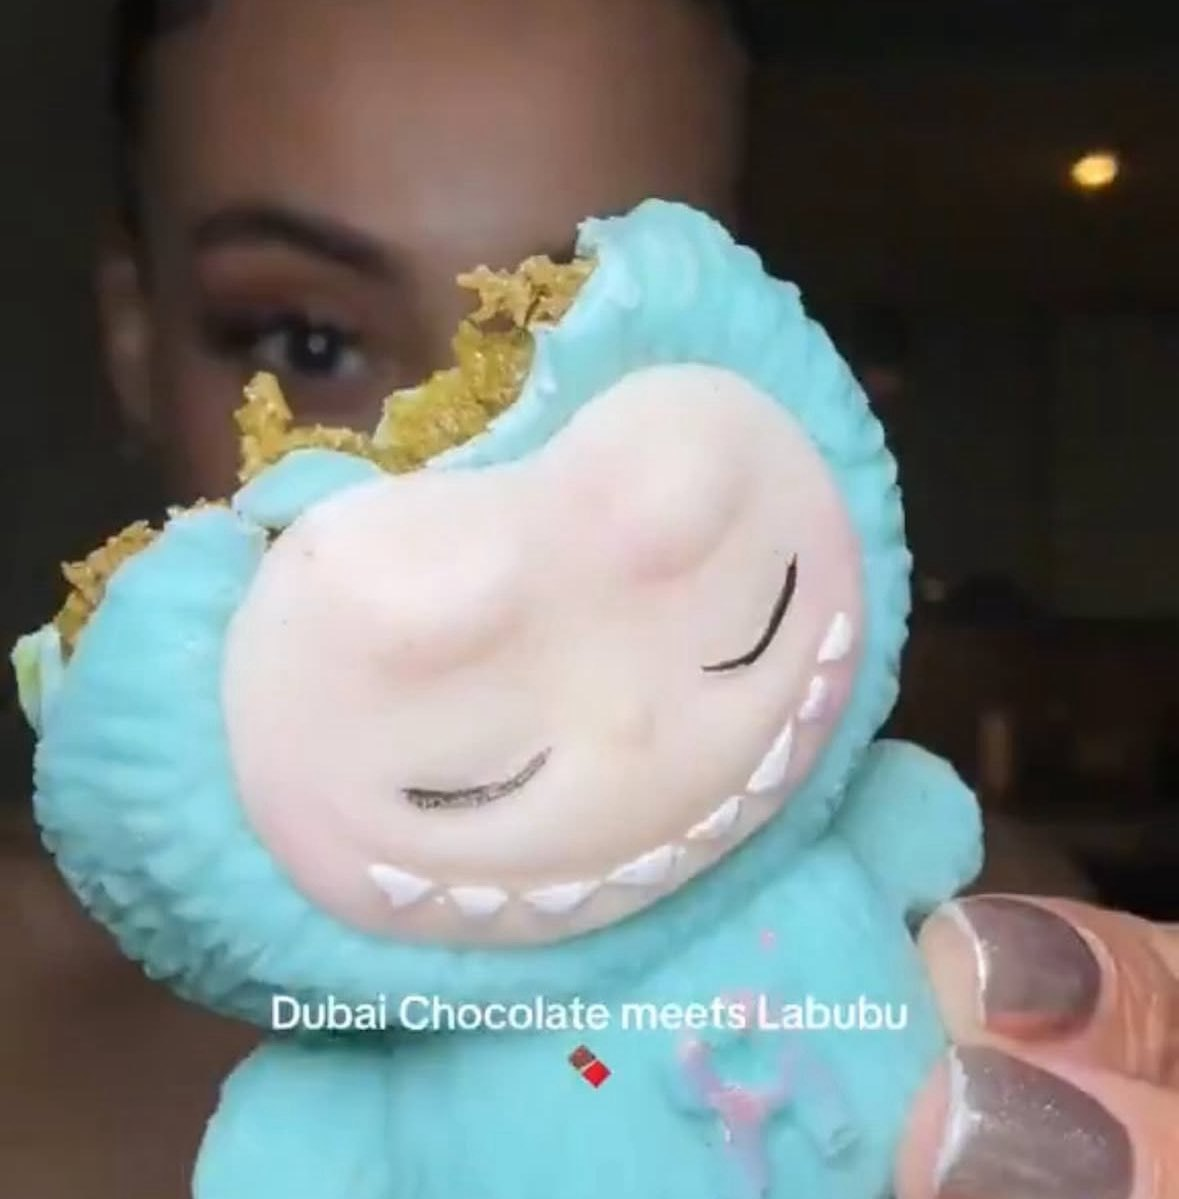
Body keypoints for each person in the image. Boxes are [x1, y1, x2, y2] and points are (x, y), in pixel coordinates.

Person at [1, 1, 1175, 1196]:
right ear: (134, 338)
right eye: (309, 342)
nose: (493, 518)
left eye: (587, 312)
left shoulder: (978, 931)